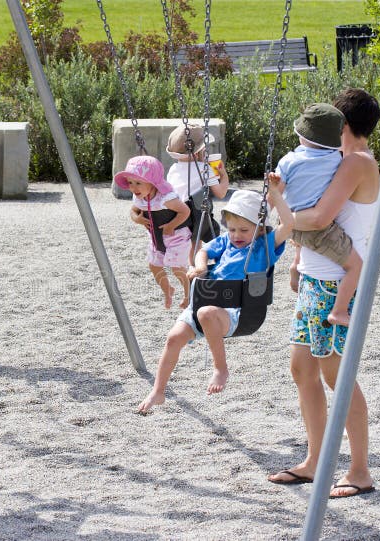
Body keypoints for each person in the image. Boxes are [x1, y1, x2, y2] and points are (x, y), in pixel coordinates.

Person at [267, 88, 380, 499]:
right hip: (317, 279)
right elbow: (310, 204)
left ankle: (360, 470)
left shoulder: (355, 162)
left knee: (337, 375)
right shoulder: (335, 159)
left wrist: (276, 216)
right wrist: (297, 259)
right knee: (302, 369)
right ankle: (315, 461)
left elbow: (318, 217)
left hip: (337, 286)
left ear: (343, 126)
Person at [137, 186, 292, 414]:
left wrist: (277, 196)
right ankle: (158, 391)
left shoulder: (264, 245)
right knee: (173, 338)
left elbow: (288, 225)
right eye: (232, 229)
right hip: (206, 300)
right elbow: (204, 251)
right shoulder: (226, 241)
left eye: (244, 230)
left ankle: (220, 368)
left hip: (238, 311)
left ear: (259, 229)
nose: (237, 235)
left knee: (206, 313)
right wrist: (200, 267)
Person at [270, 103, 363, 327]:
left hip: (291, 223)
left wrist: (272, 190)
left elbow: (272, 201)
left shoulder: (288, 161)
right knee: (356, 266)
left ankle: (296, 264)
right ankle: (340, 311)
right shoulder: (336, 159)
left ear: (302, 134)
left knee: (301, 230)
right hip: (318, 230)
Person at [116, 155, 192, 309]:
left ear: (153, 183)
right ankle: (167, 290)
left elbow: (185, 211)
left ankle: (188, 295)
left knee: (177, 269)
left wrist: (171, 225)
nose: (133, 187)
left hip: (176, 237)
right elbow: (133, 211)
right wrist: (136, 218)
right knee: (154, 265)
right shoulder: (140, 197)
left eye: (138, 183)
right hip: (156, 238)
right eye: (130, 183)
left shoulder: (166, 198)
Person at [165, 123, 229, 265]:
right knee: (198, 242)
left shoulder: (173, 169)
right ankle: (197, 270)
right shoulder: (205, 168)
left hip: (177, 216)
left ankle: (191, 267)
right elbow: (221, 193)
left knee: (191, 243)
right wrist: (223, 174)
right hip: (197, 215)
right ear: (197, 152)